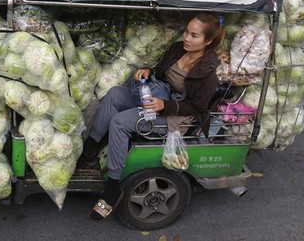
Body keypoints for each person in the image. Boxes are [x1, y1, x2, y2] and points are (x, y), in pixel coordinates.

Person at [83, 12, 224, 221]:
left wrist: (164, 105)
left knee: (120, 122)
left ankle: (113, 189)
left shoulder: (207, 73)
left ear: (208, 41)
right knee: (114, 94)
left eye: (194, 36)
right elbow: (159, 72)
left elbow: (196, 107)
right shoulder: (178, 49)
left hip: (174, 118)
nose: (186, 38)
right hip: (156, 100)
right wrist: (147, 72)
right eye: (186, 31)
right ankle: (89, 152)